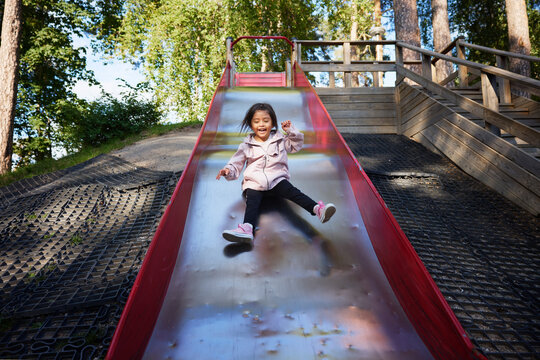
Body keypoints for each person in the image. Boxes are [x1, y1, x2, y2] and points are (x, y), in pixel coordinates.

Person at [216, 103, 336, 245]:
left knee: (293, 192)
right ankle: (247, 228)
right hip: (255, 182)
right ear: (250, 124)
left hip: (276, 180)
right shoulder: (246, 145)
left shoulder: (280, 140)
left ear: (272, 122)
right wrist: (228, 170)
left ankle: (317, 209)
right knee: (252, 200)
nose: (261, 124)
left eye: (266, 121)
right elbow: (236, 163)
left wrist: (291, 131)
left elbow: (295, 146)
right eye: (256, 121)